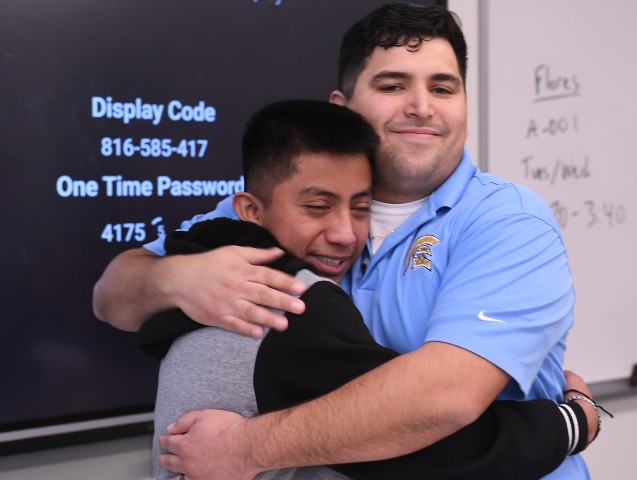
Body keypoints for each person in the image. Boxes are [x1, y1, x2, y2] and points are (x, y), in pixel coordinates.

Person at [93, 4, 597, 479]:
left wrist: (243, 448)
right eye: (393, 85)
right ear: (343, 106)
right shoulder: (271, 213)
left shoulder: (508, 221)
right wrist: (175, 276)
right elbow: (111, 301)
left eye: (444, 88)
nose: (421, 107)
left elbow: (444, 400)